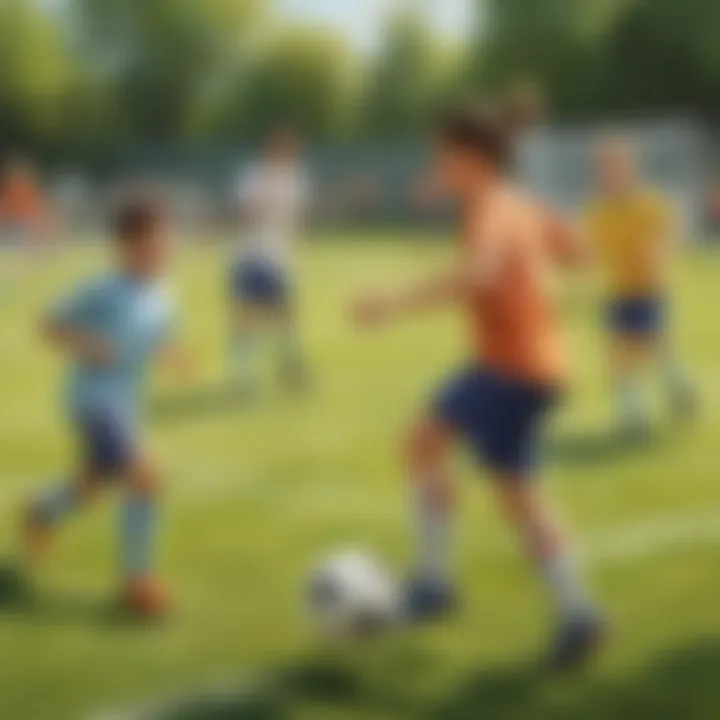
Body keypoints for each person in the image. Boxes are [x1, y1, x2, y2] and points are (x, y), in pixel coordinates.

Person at [353, 103, 604, 669]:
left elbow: (481, 271)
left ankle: (440, 587)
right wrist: (546, 284)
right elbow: (579, 250)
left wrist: (391, 303)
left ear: (473, 159)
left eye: (443, 154)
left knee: (447, 455)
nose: (436, 164)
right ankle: (575, 612)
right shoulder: (518, 203)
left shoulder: (491, 206)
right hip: (525, 367)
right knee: (450, 457)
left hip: (509, 370)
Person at [21, 194, 189, 618]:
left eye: (166, 240)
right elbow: (49, 325)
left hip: (125, 405)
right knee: (145, 476)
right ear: (126, 247)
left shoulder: (165, 294)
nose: (163, 249)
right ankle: (138, 581)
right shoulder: (102, 289)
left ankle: (41, 509)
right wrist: (87, 344)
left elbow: (159, 339)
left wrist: (171, 355)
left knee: (96, 483)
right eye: (153, 242)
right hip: (93, 401)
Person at [585, 136, 696, 436]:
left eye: (616, 167)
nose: (609, 175)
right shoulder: (599, 211)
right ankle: (633, 414)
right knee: (619, 352)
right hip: (618, 292)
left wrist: (661, 249)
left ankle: (680, 388)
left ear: (631, 169)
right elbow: (591, 248)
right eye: (604, 169)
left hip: (649, 288)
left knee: (656, 346)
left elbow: (672, 230)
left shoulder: (648, 203)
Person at [229, 127, 311, 392]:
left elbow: (296, 218)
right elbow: (248, 214)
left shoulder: (295, 180)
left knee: (286, 315)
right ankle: (244, 373)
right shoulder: (253, 177)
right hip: (254, 255)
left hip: (280, 258)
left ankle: (287, 367)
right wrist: (266, 201)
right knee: (248, 315)